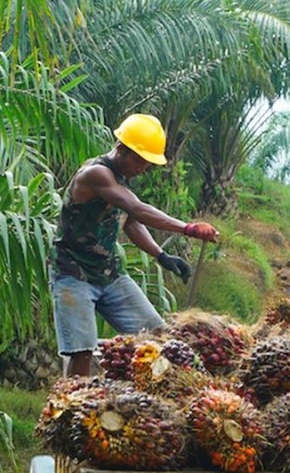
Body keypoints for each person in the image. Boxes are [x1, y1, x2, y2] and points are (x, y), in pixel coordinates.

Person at [49, 113, 218, 376]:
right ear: (122, 149)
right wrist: (187, 228)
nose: (143, 168)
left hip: (109, 274)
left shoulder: (120, 180)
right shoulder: (96, 174)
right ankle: (72, 403)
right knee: (81, 351)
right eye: (140, 160)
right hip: (74, 274)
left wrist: (162, 256)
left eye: (148, 164)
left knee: (157, 336)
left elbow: (129, 222)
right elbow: (136, 209)